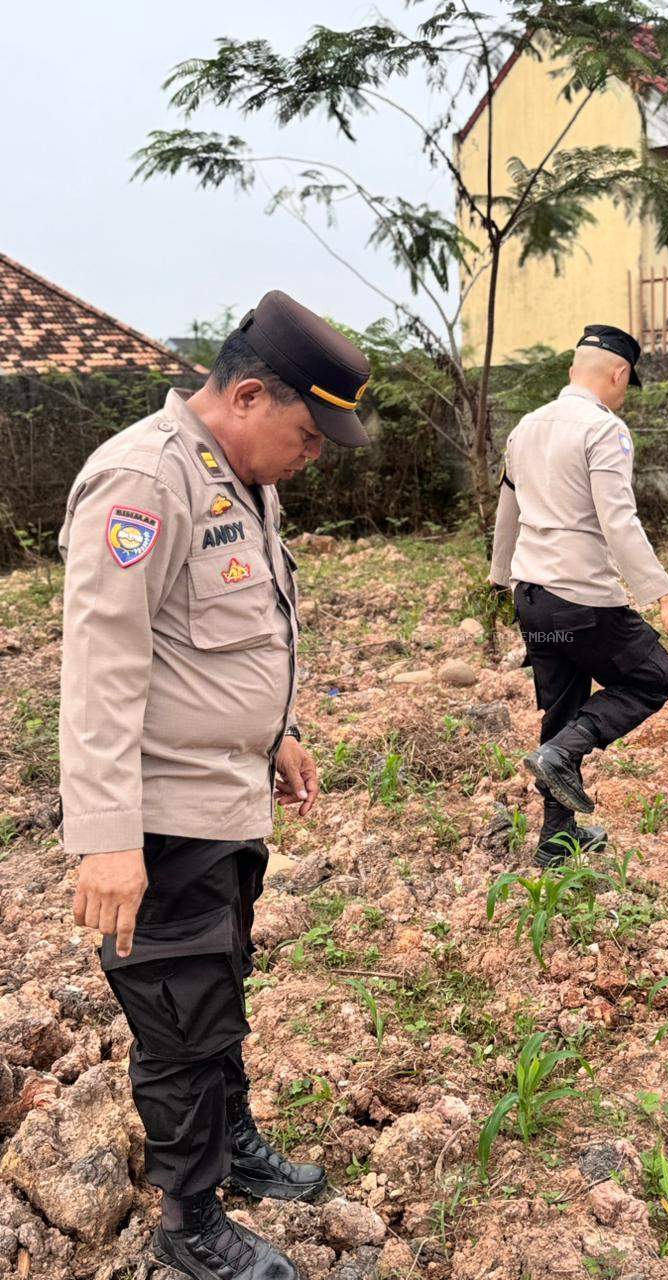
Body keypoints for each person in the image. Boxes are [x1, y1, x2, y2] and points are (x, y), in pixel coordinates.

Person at [59, 290, 371, 1280]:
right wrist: (107, 836)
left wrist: (278, 733)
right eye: (306, 436)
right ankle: (191, 1223)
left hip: (226, 800)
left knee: (219, 985)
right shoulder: (145, 481)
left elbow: (226, 635)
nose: (310, 457)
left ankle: (232, 1145)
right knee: (180, 1020)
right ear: (245, 397)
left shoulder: (237, 475)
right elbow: (103, 665)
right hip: (161, 819)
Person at [489, 323, 668, 867]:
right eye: (628, 384)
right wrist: (666, 595)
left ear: (571, 370)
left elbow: (507, 509)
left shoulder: (525, 428)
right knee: (652, 677)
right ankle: (561, 753)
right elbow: (618, 520)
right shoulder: (605, 430)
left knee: (563, 708)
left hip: (533, 600)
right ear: (619, 373)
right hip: (581, 599)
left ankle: (556, 840)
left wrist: (499, 578)